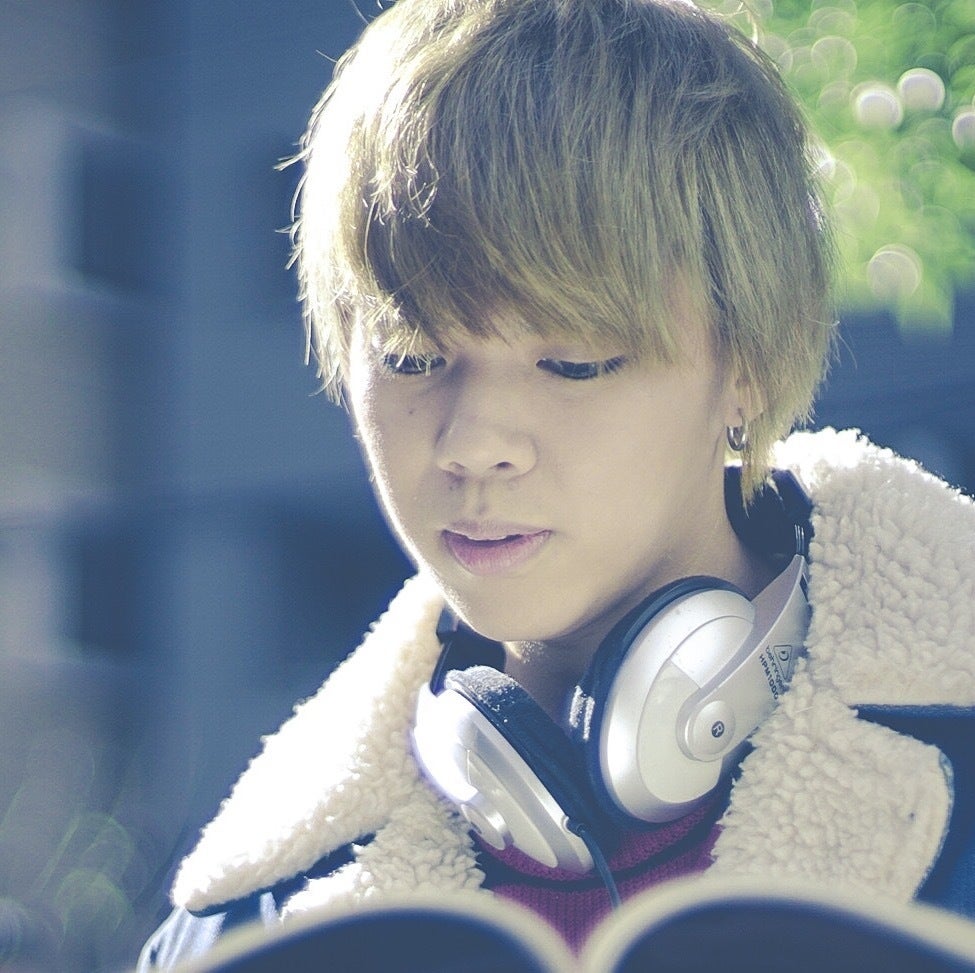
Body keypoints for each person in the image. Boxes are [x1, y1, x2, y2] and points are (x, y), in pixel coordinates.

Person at [138, 0, 975, 966]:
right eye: (410, 355)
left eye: (573, 361)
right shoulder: (235, 928)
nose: (472, 442)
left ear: (746, 361)